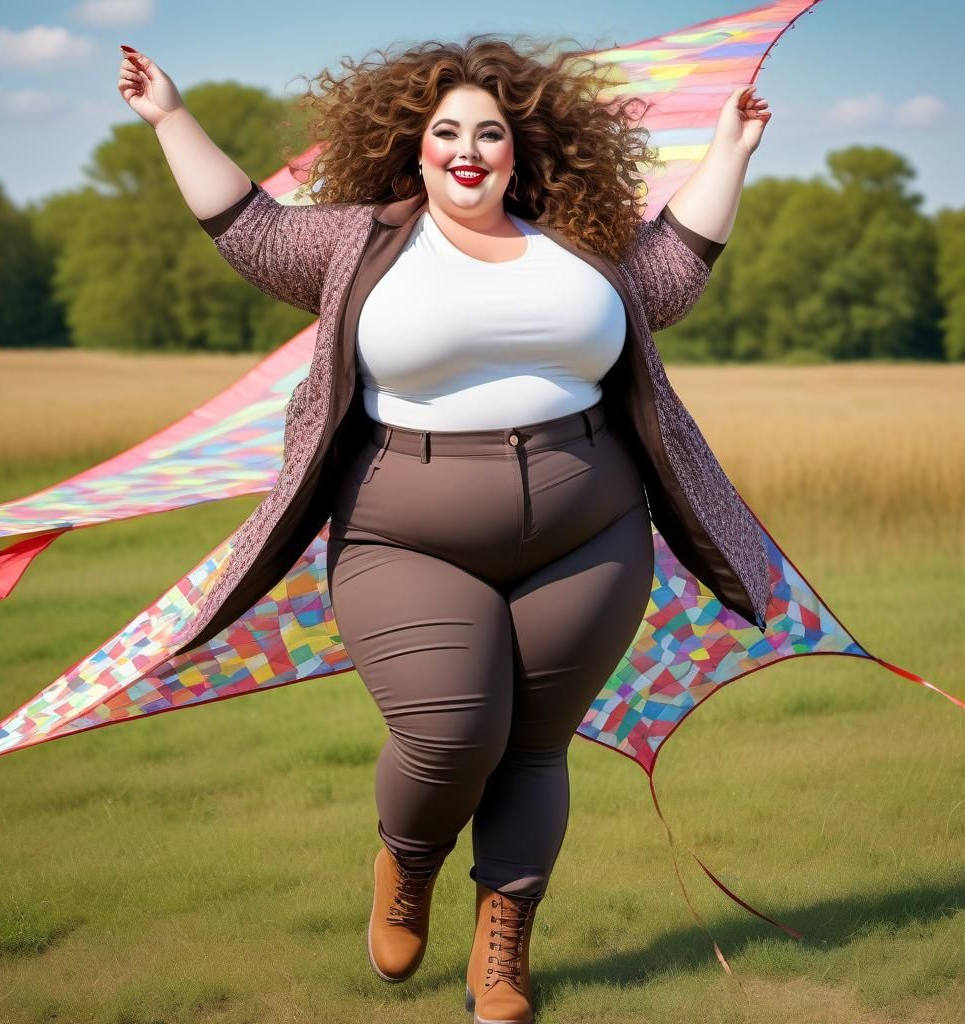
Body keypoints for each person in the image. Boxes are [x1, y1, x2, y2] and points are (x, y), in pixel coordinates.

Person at [117, 33, 769, 1024]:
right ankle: (408, 860)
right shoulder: (360, 242)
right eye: (447, 132)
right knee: (449, 729)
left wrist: (728, 152)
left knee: (537, 748)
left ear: (521, 150)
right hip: (403, 534)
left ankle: (503, 948)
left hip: (590, 533)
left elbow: (672, 271)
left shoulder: (578, 245)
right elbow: (248, 228)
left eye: (491, 133)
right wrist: (170, 115)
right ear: (414, 147)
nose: (468, 149)